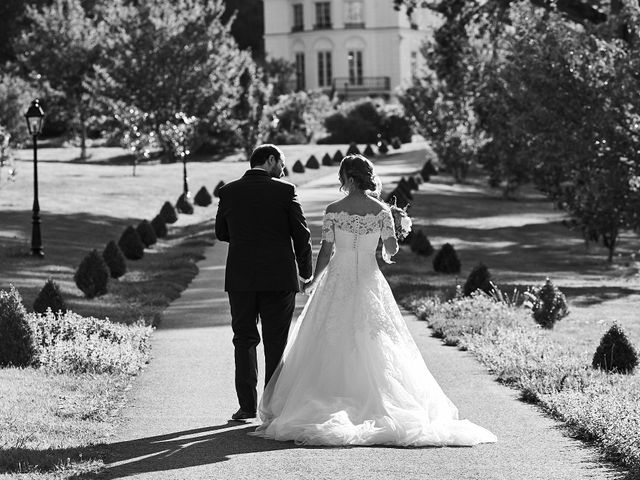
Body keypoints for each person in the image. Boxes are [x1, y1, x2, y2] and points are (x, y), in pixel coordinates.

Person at [251, 154, 497, 446]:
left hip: (338, 280)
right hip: (369, 279)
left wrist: (313, 282)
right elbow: (390, 252)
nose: (340, 181)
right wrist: (398, 228)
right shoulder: (381, 211)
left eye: (342, 176)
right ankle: (378, 399)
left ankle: (324, 395)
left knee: (328, 336)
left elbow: (327, 252)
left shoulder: (333, 210)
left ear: (350, 179)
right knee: (375, 337)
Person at [214, 144, 313, 421]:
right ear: (270, 160)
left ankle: (246, 406)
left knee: (243, 338)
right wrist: (305, 273)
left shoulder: (228, 191)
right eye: (281, 163)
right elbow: (301, 235)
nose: (284, 169)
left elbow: (221, 232)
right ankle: (273, 406)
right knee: (275, 341)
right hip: (279, 276)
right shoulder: (286, 191)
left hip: (240, 277)